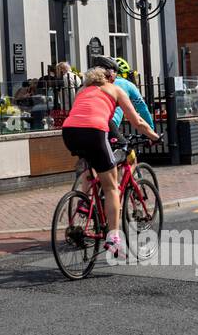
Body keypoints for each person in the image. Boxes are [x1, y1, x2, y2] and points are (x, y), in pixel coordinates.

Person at [62, 66, 160, 260]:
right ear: (108, 77)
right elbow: (137, 121)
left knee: (91, 165)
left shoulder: (82, 90)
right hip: (95, 132)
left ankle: (84, 201)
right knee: (112, 187)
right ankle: (113, 239)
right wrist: (154, 136)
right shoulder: (115, 89)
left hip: (69, 133)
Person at [101, 57, 153, 136]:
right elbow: (142, 108)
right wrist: (151, 131)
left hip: (82, 124)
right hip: (109, 125)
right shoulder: (127, 84)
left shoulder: (95, 84)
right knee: (122, 145)